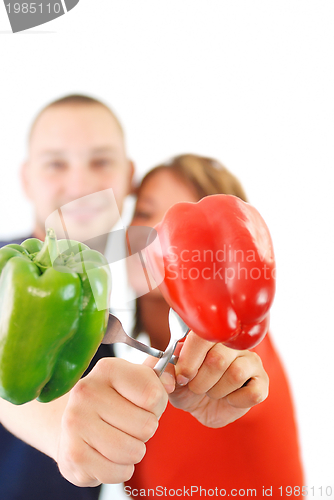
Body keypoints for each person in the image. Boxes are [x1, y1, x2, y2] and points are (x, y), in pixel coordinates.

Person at [0, 97, 269, 500]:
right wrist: (60, 428)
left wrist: (204, 377)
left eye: (101, 162)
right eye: (56, 163)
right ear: (25, 178)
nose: (78, 184)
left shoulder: (110, 286)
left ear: (128, 178)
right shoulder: (9, 269)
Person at [123, 154, 305, 497]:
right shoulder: (142, 374)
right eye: (145, 213)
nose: (158, 235)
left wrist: (237, 359)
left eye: (183, 225)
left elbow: (246, 373)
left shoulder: (237, 350)